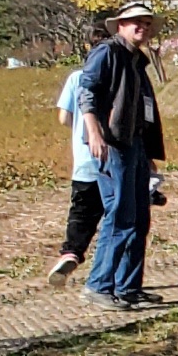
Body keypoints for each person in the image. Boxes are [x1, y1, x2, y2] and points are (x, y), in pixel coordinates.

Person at [78, 0, 166, 308]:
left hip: (135, 145)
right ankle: (99, 284)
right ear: (121, 26)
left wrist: (149, 154)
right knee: (120, 216)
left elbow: (143, 110)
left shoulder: (137, 60)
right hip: (113, 144)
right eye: (134, 22)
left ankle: (128, 286)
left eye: (145, 22)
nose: (141, 27)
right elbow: (86, 90)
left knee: (139, 217)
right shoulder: (108, 52)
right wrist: (93, 131)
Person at [46, 20, 107, 281]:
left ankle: (71, 252)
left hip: (84, 160)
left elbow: (63, 117)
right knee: (114, 217)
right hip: (114, 159)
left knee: (81, 213)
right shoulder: (117, 74)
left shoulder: (76, 77)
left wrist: (79, 130)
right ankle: (106, 269)